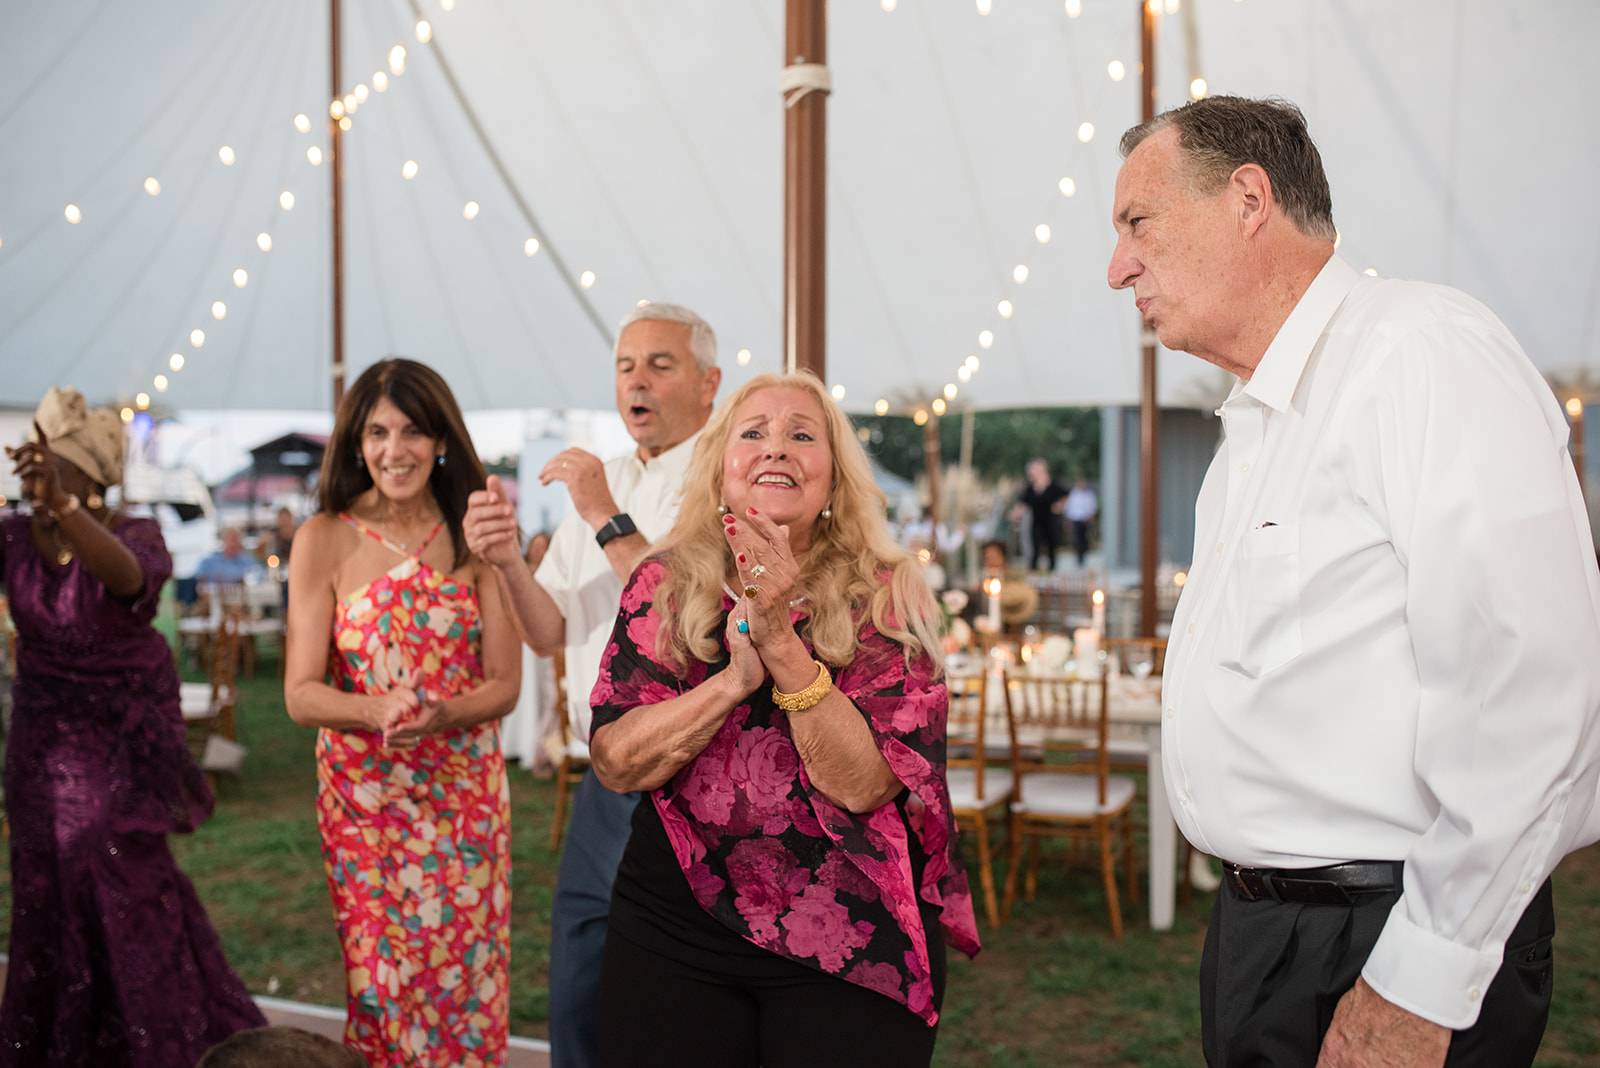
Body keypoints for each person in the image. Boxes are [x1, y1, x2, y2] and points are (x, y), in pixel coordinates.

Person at [1108, 95, 1600, 1066]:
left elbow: (1534, 702)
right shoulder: (1250, 427)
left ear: (1248, 199)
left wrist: (1418, 984)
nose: (1118, 265)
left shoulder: (1419, 355)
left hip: (1380, 933)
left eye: (1136, 223)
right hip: (1268, 933)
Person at [587, 372, 980, 1067]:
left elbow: (862, 785)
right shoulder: (664, 583)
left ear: (834, 479)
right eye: (754, 433)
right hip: (675, 923)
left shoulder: (888, 594)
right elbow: (617, 761)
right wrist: (734, 681)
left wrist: (780, 645)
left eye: (803, 434)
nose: (777, 448)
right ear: (720, 470)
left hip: (849, 935)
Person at [462, 302, 722, 1068]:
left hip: (694, 771)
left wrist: (605, 513)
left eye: (659, 365)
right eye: (625, 366)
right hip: (606, 776)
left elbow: (686, 618)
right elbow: (547, 632)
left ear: (710, 383)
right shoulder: (600, 481)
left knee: (677, 985)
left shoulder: (726, 477)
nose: (636, 381)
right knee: (580, 967)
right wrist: (507, 560)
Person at [0, 387, 267, 1064]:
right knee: (44, 894)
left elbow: (124, 581)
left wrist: (63, 511)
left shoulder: (133, 534)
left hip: (115, 757)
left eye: (54, 464)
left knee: (122, 893)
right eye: (34, 464)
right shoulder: (12, 537)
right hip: (36, 754)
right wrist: (40, 508)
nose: (39, 475)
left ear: (90, 474)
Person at [284, 359, 521, 1067]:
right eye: (378, 431)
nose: (396, 450)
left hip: (465, 803)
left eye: (414, 431)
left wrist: (442, 712)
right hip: (366, 810)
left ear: (441, 438)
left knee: (469, 989)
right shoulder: (323, 537)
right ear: (356, 443)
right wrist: (372, 707)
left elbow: (505, 684)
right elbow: (300, 693)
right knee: (383, 991)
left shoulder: (473, 533)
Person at [1011, 460, 1067, 573]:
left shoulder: (1053, 486)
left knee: (1052, 545)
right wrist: (1014, 513)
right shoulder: (1030, 489)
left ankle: (1052, 570)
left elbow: (1066, 496)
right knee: (1035, 545)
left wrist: (1060, 506)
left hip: (1051, 521)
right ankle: (1033, 570)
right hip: (1036, 521)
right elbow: (1022, 503)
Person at [196, 526, 265, 584]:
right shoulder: (208, 563)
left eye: (236, 539)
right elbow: (198, 582)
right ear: (223, 540)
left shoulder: (248, 562)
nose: (234, 544)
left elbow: (261, 577)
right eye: (232, 540)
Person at [1063, 478, 1097, 568]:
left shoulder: (1089, 495)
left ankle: (1084, 555)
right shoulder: (1073, 495)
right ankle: (1078, 556)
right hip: (1076, 519)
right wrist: (1068, 520)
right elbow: (1068, 508)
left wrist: (1091, 518)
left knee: (1084, 538)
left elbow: (1092, 507)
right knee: (1077, 538)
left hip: (1085, 519)